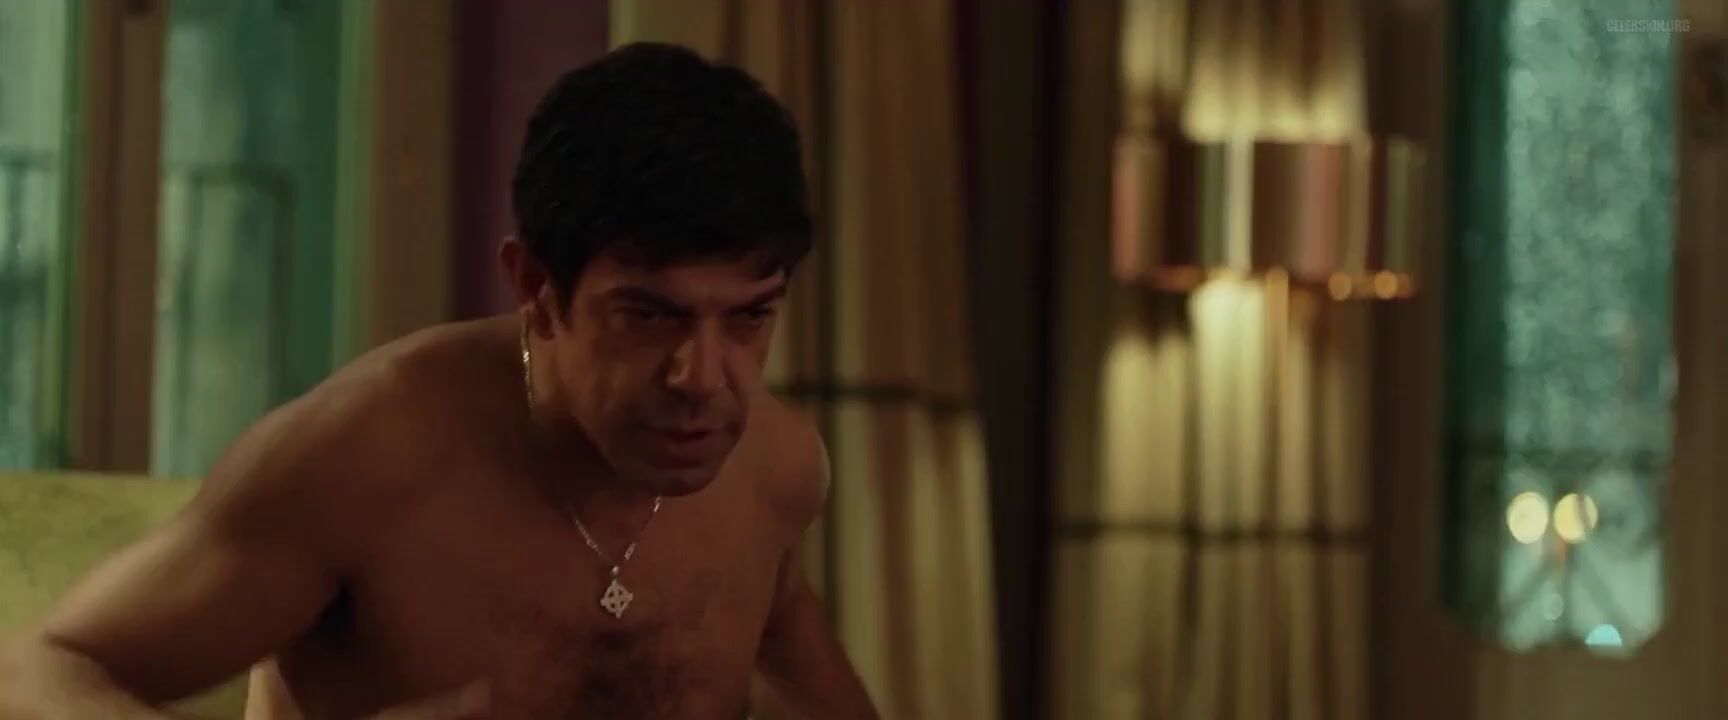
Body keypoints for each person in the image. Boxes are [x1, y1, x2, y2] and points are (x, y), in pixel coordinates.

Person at [0, 42, 880, 720]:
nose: (702, 378)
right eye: (648, 316)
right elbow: (35, 669)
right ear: (536, 286)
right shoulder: (369, 457)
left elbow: (796, 657)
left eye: (749, 318)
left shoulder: (776, 469)